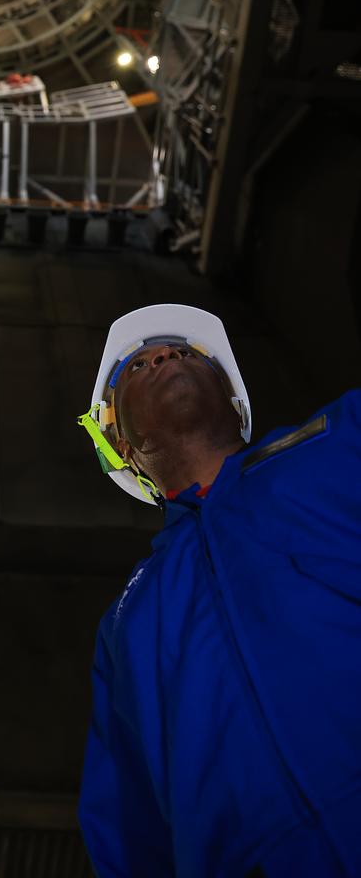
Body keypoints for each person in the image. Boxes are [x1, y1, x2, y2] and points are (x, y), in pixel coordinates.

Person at [76, 304, 361, 878]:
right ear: (123, 445)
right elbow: (130, 831)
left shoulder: (343, 441)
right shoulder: (125, 626)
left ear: (234, 403)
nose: (166, 354)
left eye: (185, 353)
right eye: (136, 367)